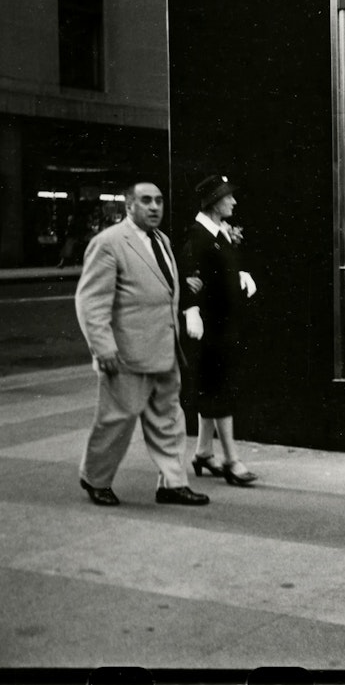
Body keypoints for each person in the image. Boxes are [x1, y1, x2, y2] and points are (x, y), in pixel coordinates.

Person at [74, 181, 209, 507]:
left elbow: (162, 289)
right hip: (125, 356)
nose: (154, 207)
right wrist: (103, 348)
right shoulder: (108, 243)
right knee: (116, 423)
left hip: (164, 351)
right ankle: (96, 478)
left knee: (170, 421)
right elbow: (90, 301)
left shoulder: (161, 240)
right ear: (129, 205)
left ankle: (172, 484)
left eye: (159, 201)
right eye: (146, 201)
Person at [179, 174, 259, 487]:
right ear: (214, 202)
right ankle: (231, 460)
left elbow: (217, 269)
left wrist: (239, 273)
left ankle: (202, 453)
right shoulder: (198, 235)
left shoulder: (215, 232)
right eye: (228, 197)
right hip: (210, 328)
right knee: (220, 389)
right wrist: (191, 310)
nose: (234, 201)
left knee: (213, 387)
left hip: (222, 325)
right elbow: (189, 276)